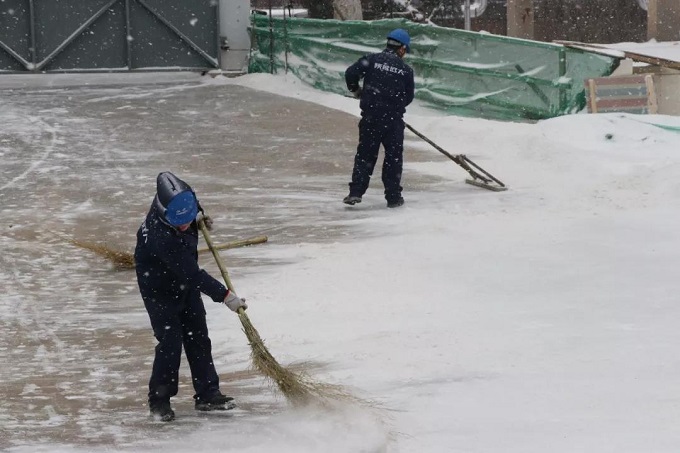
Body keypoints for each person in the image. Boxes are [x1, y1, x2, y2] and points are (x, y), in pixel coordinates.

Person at [134, 171, 247, 422]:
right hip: (159, 289)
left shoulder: (182, 200)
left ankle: (208, 394)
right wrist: (226, 296)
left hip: (185, 283)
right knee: (170, 344)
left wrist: (200, 218)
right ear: (164, 214)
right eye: (180, 223)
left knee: (198, 336)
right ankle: (159, 401)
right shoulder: (160, 237)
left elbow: (192, 211)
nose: (185, 226)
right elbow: (193, 274)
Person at [343, 28, 415, 208]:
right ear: (402, 48)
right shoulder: (406, 70)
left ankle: (355, 192)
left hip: (371, 118)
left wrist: (357, 91)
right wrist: (393, 107)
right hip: (393, 122)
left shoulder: (371, 60)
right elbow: (409, 97)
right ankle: (393, 197)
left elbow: (350, 73)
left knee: (365, 155)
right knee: (393, 159)